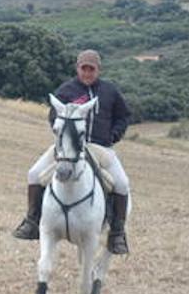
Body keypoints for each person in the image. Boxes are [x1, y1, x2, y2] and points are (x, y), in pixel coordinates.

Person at [12, 49, 132, 254]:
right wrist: (64, 138)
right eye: (83, 68)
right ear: (77, 68)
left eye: (91, 69)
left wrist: (113, 135)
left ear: (98, 70)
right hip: (67, 148)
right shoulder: (66, 90)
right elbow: (53, 116)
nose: (87, 73)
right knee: (33, 174)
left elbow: (124, 116)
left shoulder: (110, 91)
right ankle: (32, 221)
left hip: (99, 147)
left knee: (122, 183)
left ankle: (117, 233)